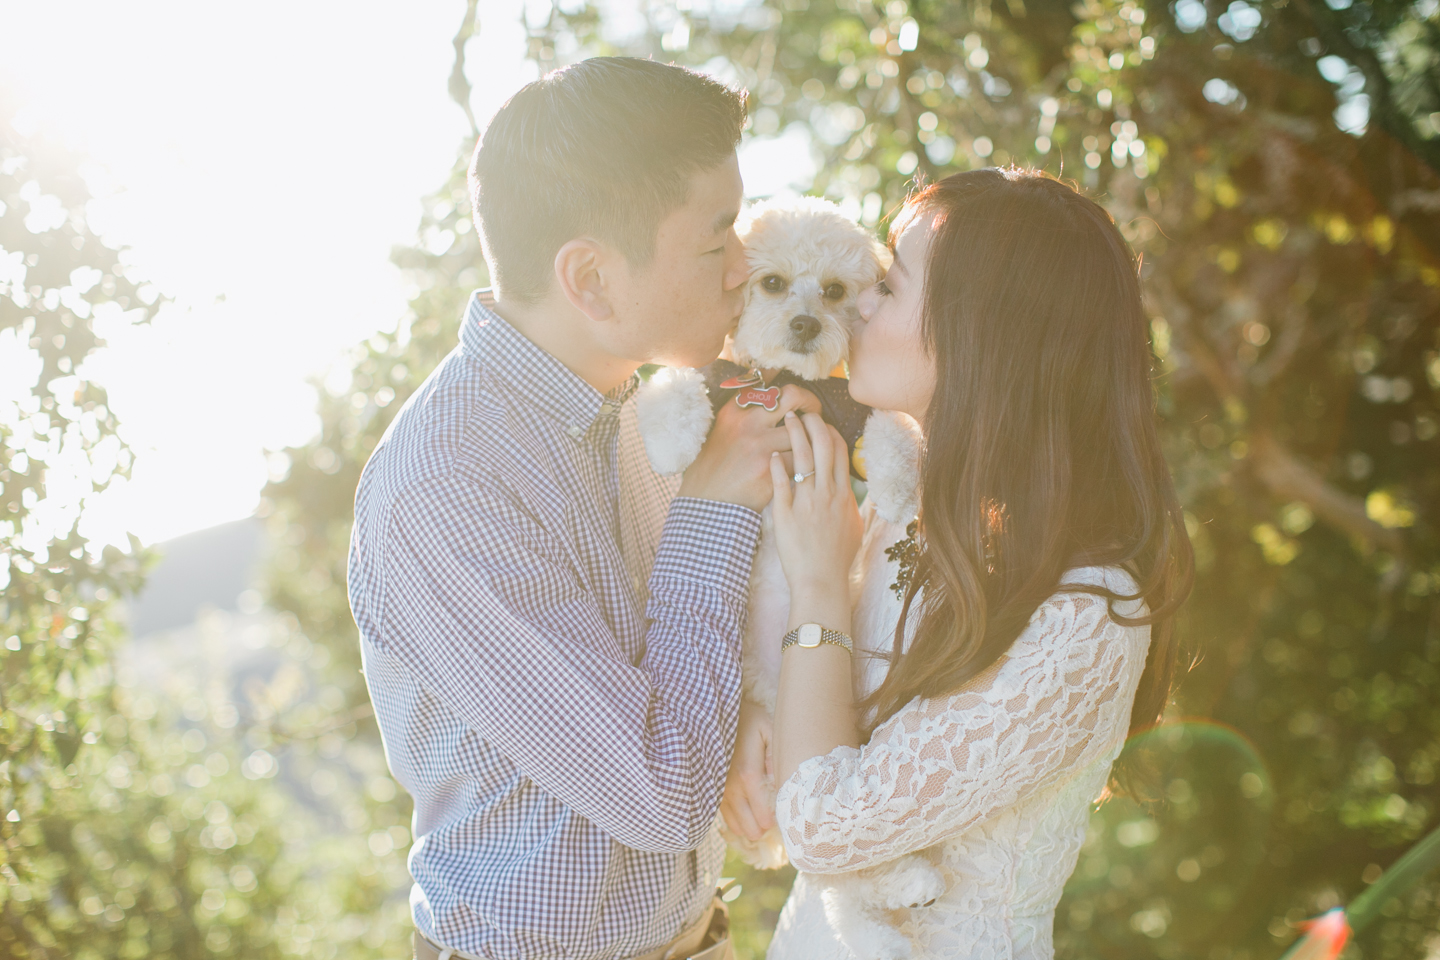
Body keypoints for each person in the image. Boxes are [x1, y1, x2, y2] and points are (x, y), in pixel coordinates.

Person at [348, 58, 817, 960]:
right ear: (592, 280)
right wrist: (714, 511)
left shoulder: (646, 412)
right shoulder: (446, 488)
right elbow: (661, 791)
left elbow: (675, 675)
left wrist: (743, 706)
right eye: (718, 239)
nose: (744, 270)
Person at [738, 168, 1195, 959]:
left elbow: (822, 827)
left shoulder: (1083, 615)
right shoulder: (899, 504)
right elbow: (817, 729)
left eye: (891, 283)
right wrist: (751, 715)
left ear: (981, 328)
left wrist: (819, 585)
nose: (861, 304)